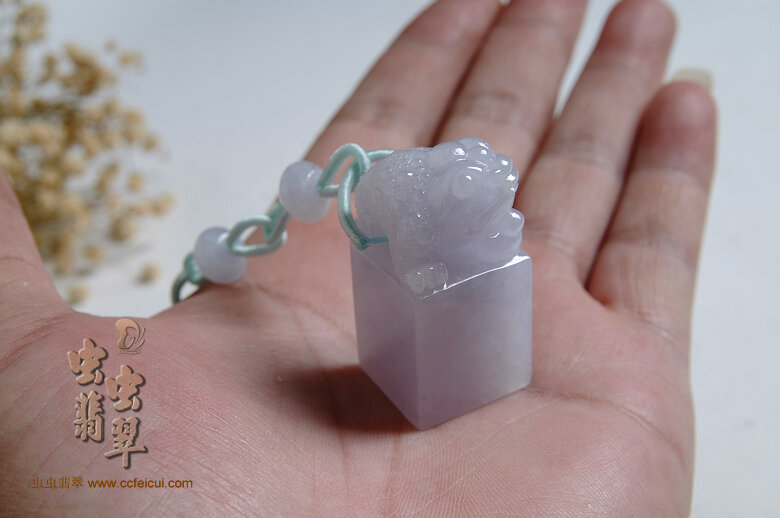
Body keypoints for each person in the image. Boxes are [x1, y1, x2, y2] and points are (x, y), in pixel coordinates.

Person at [0, 0, 716, 515]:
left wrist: (487, 226)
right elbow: (416, 243)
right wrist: (426, 266)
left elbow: (491, 218)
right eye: (486, 192)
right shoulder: (410, 209)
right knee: (424, 270)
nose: (503, 199)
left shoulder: (473, 197)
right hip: (399, 234)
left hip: (434, 223)